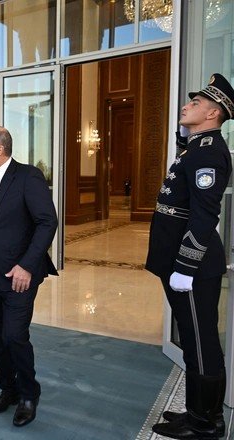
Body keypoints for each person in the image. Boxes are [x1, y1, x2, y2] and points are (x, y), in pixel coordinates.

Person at [147, 73, 234, 440]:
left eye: (195, 103)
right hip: (178, 262)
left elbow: (203, 216)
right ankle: (197, 413)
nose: (186, 106)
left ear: (213, 113)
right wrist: (185, 135)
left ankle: (206, 424)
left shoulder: (210, 152)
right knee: (194, 341)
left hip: (193, 267)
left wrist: (184, 266)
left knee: (202, 343)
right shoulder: (196, 148)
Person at [0, 125, 58, 428]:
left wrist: (27, 265)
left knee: (14, 336)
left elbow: (47, 222)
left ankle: (29, 394)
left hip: (20, 275)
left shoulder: (28, 177)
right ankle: (8, 389)